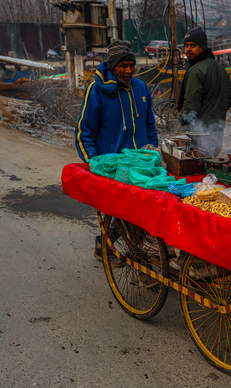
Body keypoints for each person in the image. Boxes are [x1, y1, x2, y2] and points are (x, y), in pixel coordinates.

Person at [74, 39, 159, 286]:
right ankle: (144, 265)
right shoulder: (96, 91)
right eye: (123, 66)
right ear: (112, 66)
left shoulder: (141, 89)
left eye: (132, 65)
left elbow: (150, 126)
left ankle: (105, 245)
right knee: (128, 216)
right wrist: (94, 164)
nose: (129, 71)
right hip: (113, 167)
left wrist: (155, 155)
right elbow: (84, 132)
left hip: (142, 166)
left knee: (142, 214)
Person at [177, 27, 231, 157]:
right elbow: (230, 100)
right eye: (186, 46)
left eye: (193, 45)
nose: (188, 50)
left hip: (198, 136)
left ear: (202, 46)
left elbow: (190, 107)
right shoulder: (220, 68)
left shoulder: (196, 70)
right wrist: (216, 112)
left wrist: (180, 120)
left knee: (196, 171)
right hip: (217, 134)